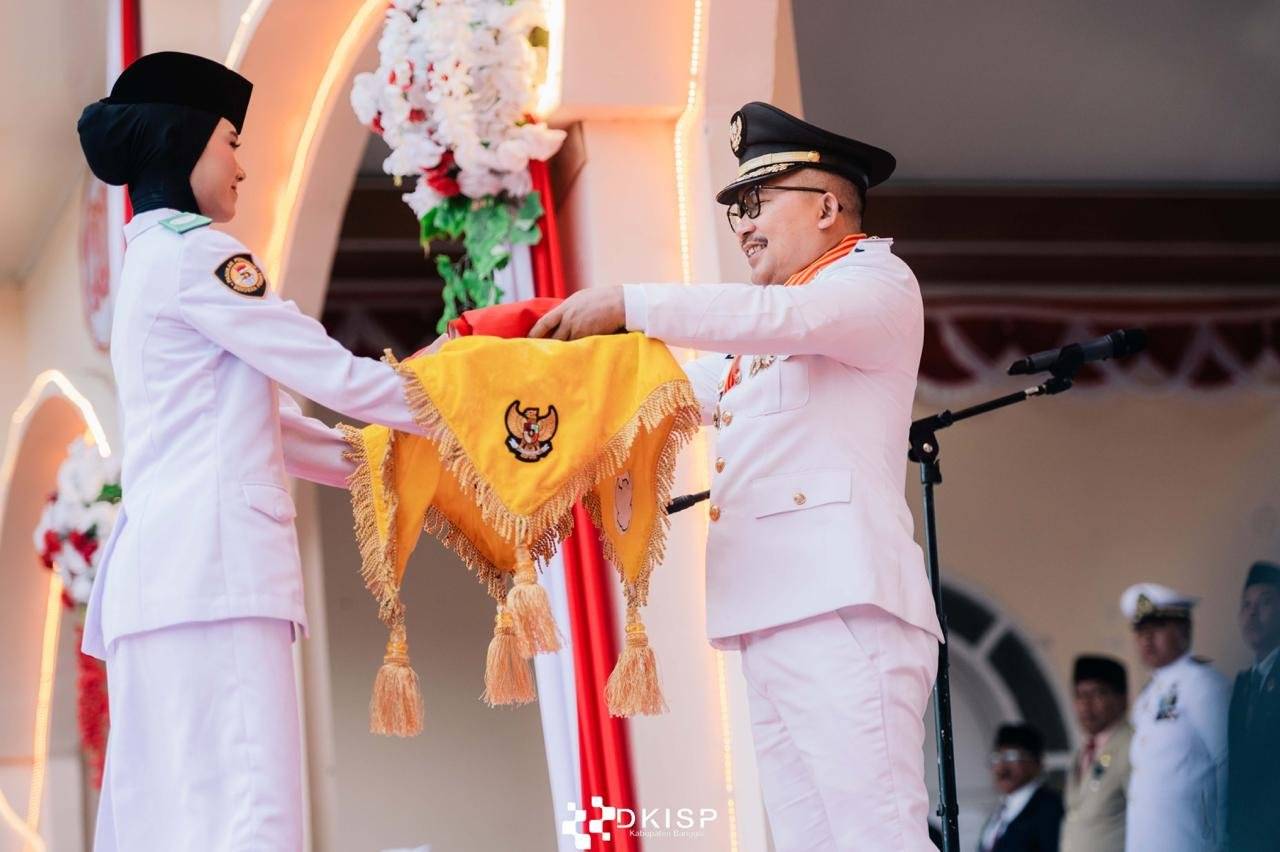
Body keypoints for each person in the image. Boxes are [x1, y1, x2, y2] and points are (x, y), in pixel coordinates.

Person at [530, 101, 944, 850]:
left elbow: (773, 323)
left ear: (827, 206)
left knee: (877, 838)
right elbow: (667, 397)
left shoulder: (872, 285)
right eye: (737, 210)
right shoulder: (781, 320)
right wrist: (535, 410)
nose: (745, 223)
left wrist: (628, 303)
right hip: (771, 615)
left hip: (840, 611)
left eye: (758, 202)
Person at [76, 51, 435, 849]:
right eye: (231, 140)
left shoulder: (151, 260)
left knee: (169, 821)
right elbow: (334, 374)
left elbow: (264, 426)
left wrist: (395, 467)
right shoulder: (198, 253)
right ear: (186, 141)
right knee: (249, 814)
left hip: (166, 582)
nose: (243, 163)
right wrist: (469, 406)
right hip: (217, 575)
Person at [1120, 582, 1229, 852]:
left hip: (1190, 841)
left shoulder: (1204, 685)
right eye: (1140, 631)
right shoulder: (1147, 697)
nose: (1146, 640)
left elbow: (1228, 763)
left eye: (1156, 629)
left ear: (1183, 629)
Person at [1227, 561, 1280, 851]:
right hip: (1243, 837)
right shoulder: (1243, 684)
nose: (1252, 613)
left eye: (1265, 602)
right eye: (1246, 605)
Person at [1060, 655, 1131, 852]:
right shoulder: (1082, 752)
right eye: (1080, 695)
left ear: (1122, 699)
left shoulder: (1132, 746)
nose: (1086, 704)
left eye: (1098, 693)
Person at [977, 723, 1064, 852]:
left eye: (1012, 757)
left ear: (1037, 763)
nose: (1002, 768)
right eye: (996, 758)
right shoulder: (1001, 811)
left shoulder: (1050, 808)